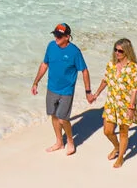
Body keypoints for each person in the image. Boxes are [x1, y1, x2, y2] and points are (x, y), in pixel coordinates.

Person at [30, 23, 92, 155]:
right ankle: (59, 142)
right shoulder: (51, 46)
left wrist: (88, 92)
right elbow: (44, 64)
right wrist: (36, 82)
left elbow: (85, 71)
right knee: (53, 115)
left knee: (63, 118)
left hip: (66, 90)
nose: (56, 37)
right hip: (52, 88)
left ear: (67, 37)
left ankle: (70, 141)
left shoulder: (75, 52)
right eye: (55, 34)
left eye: (59, 35)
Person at [90, 38, 137, 168]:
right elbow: (106, 80)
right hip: (111, 103)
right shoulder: (111, 64)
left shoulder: (133, 68)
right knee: (107, 131)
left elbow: (135, 89)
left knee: (124, 132)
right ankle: (117, 147)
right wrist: (96, 94)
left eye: (120, 51)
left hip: (125, 105)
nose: (117, 53)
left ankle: (120, 157)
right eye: (115, 50)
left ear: (127, 52)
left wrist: (131, 107)